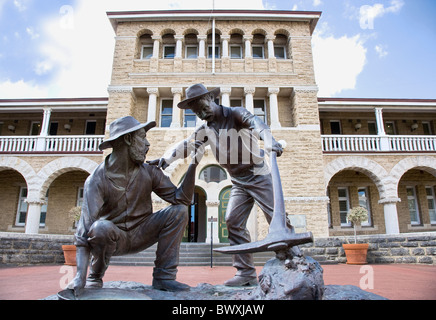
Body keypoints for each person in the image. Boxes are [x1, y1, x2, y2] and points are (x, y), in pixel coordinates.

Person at [149, 84, 300, 287]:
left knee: (277, 217)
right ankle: (246, 273)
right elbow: (187, 144)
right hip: (238, 181)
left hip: (258, 174)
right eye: (195, 111)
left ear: (211, 97)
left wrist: (270, 140)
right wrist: (165, 160)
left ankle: (294, 259)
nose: (200, 113)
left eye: (201, 106)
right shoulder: (205, 129)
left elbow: (257, 123)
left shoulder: (236, 114)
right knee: (232, 221)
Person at [68, 116, 204, 294]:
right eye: (142, 137)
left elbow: (182, 200)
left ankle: (164, 277)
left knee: (178, 211)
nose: (147, 144)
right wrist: (79, 276)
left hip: (142, 232)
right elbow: (84, 232)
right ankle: (95, 275)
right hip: (114, 237)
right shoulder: (96, 180)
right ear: (128, 139)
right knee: (100, 228)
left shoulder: (149, 171)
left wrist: (193, 164)